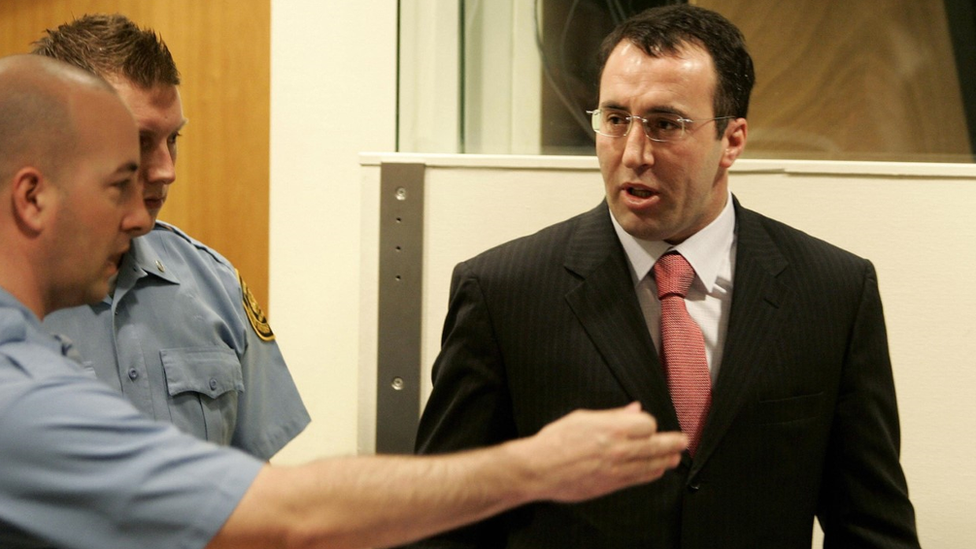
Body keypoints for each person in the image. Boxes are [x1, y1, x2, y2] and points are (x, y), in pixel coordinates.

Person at [0, 53, 687, 549]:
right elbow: (287, 512)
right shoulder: (17, 391)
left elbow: (257, 483)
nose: (141, 209)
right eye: (118, 182)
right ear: (32, 198)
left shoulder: (198, 284)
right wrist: (536, 466)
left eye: (169, 143)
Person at [406, 5, 921, 549]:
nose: (633, 154)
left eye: (665, 124)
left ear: (732, 140)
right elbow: (443, 522)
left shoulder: (833, 292)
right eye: (615, 119)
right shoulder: (503, 293)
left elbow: (872, 527)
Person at [34, 14, 308, 459]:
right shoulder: (18, 295)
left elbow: (254, 477)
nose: (166, 171)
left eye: (173, 139)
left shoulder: (214, 284)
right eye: (141, 141)